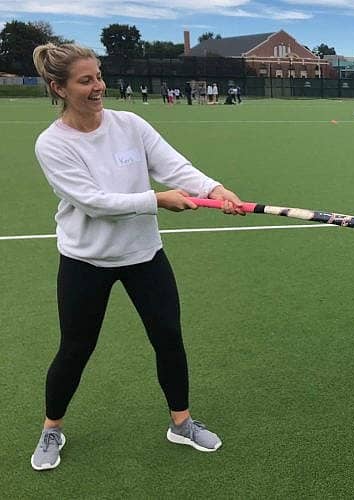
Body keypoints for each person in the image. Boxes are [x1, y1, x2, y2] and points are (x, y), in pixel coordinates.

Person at [30, 42, 247, 471]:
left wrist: (213, 189)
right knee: (76, 348)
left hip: (143, 254)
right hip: (85, 259)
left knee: (168, 337)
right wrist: (157, 200)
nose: (98, 87)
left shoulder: (129, 124)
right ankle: (52, 427)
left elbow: (174, 165)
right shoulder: (52, 145)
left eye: (99, 76)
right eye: (86, 80)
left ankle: (180, 423)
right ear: (58, 87)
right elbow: (94, 202)